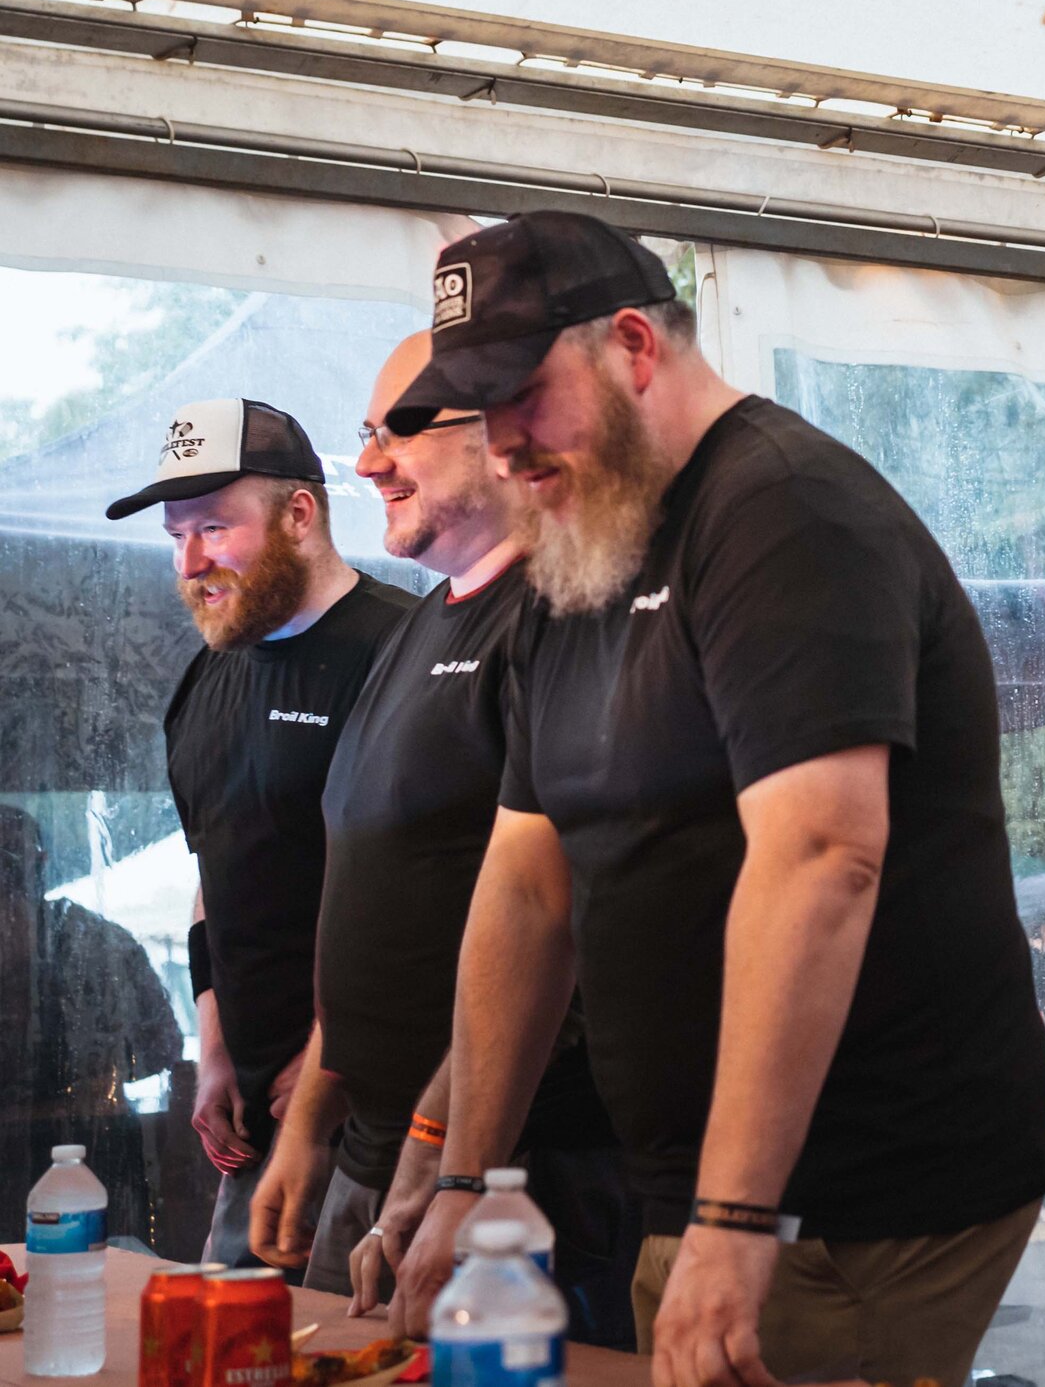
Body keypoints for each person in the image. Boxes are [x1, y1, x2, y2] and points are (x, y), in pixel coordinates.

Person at [382, 212, 1045, 1387]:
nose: (500, 447)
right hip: (697, 1192)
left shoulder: (783, 512)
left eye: (522, 396)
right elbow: (528, 885)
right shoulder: (581, 550)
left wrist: (739, 1217)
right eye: (476, 411)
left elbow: (821, 858)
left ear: (634, 344)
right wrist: (459, 1176)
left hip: (852, 1204)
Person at [242, 333, 639, 1343]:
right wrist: (310, 1123)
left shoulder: (570, 618)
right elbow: (375, 903)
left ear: (510, 430)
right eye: (368, 433)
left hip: (515, 1172)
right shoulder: (423, 622)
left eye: (404, 427)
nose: (370, 462)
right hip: (384, 1153)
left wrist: (445, 1155)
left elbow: (573, 932)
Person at [109, 398, 415, 1270]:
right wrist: (215, 1049)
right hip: (257, 1130)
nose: (192, 561)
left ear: (299, 512)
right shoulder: (204, 682)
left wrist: (325, 1065)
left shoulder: (399, 653)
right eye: (177, 536)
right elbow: (218, 873)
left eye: (214, 525)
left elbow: (426, 904)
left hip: (382, 1127)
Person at [0, 804, 183, 1239]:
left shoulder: (97, 943)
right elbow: (163, 1047)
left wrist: (97, 1082)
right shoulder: (101, 941)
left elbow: (165, 1047)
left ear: (40, 863)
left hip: (94, 1150)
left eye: (12, 860)